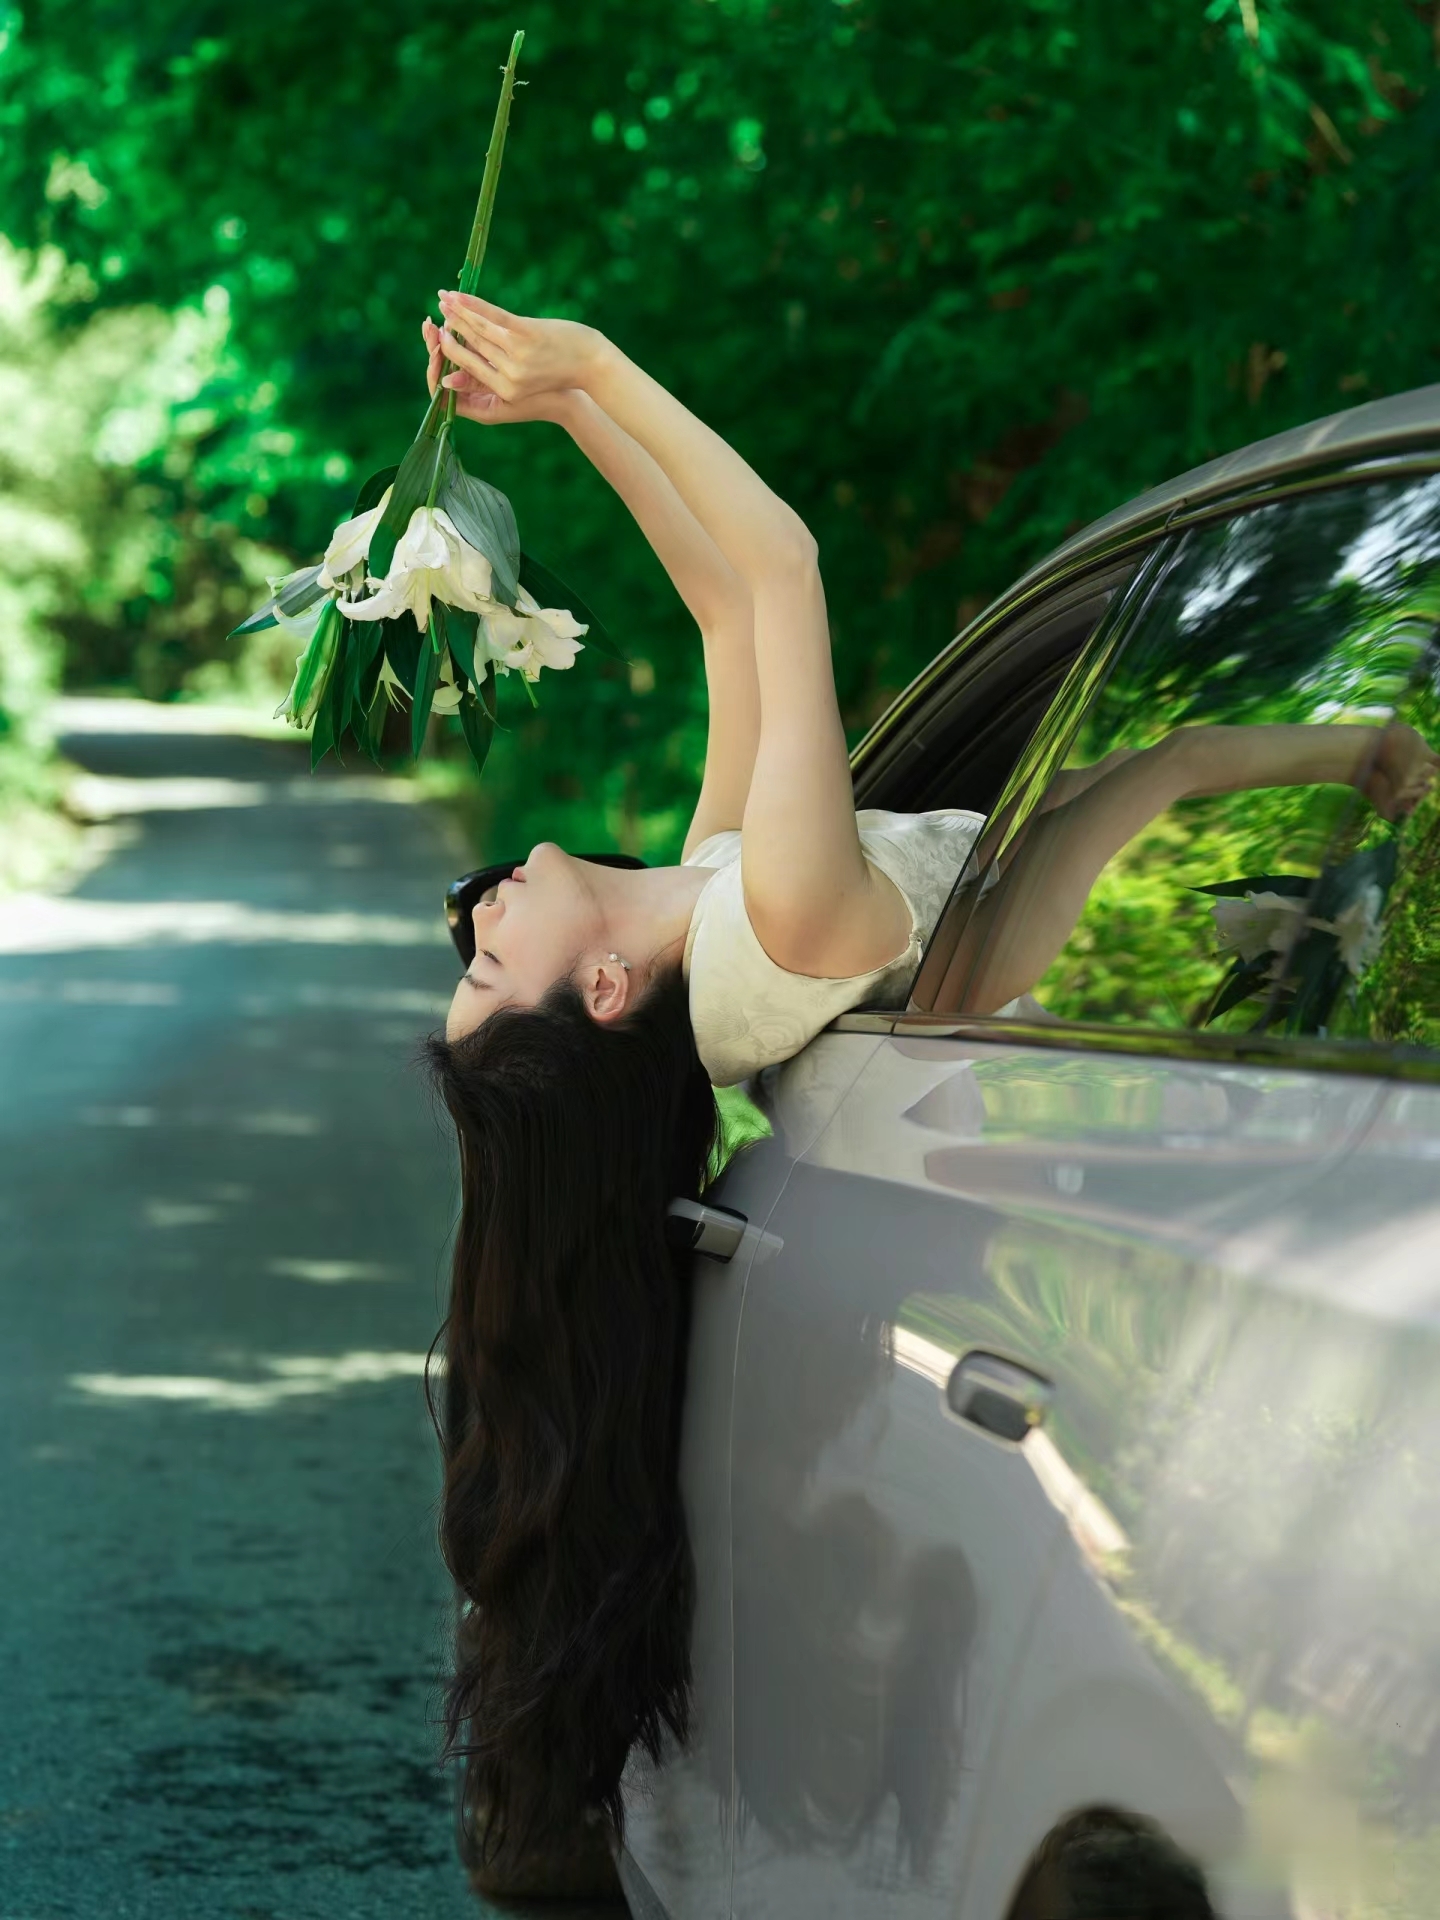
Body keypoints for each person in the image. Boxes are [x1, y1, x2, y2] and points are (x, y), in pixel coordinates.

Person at [418, 293, 985, 1874]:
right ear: (604, 993)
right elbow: (788, 571)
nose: (470, 912)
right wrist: (591, 358)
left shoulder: (709, 903)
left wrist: (559, 417)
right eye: (481, 962)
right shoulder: (777, 928)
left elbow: (728, 620)